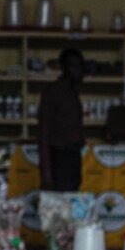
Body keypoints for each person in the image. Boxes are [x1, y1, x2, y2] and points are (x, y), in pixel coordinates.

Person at [37, 48, 85, 191]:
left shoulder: (73, 93)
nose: (79, 70)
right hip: (58, 157)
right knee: (59, 206)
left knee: (71, 201)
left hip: (72, 155)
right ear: (63, 68)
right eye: (74, 66)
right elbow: (43, 133)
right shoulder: (53, 92)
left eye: (81, 66)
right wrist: (46, 175)